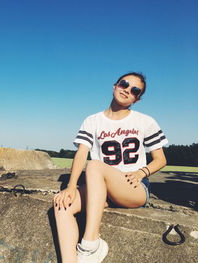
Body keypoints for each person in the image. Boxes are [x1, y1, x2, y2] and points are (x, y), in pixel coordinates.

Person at [53, 72, 168, 263]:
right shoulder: (92, 121)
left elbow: (160, 159)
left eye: (134, 90)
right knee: (61, 206)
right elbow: (81, 153)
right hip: (101, 189)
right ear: (115, 85)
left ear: (137, 99)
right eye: (124, 84)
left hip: (133, 188)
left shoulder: (145, 121)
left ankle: (90, 245)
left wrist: (142, 172)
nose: (127, 90)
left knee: (95, 165)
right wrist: (71, 187)